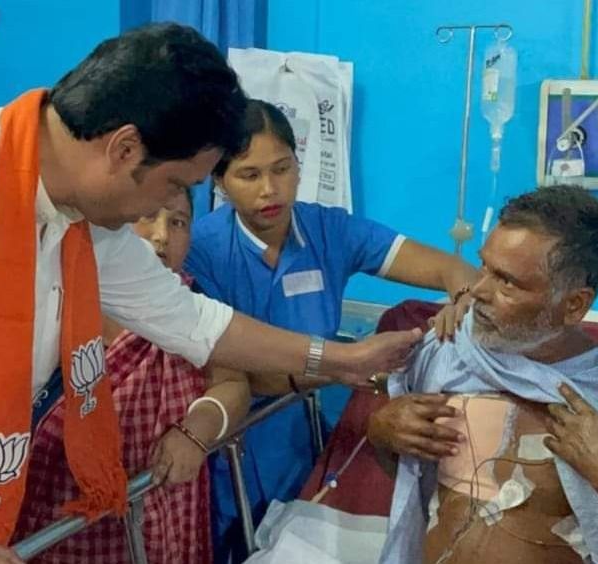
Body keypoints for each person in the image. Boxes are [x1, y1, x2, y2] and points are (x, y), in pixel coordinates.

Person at [0, 24, 422, 564]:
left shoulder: (77, 221)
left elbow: (188, 318)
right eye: (170, 187)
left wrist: (341, 361)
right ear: (125, 148)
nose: (164, 215)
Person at [367, 185, 598, 563]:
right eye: (484, 268)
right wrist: (381, 432)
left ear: (574, 304)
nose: (477, 291)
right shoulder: (447, 351)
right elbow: (410, 479)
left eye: (507, 281)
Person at [183, 99, 479, 562]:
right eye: (249, 175)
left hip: (300, 443)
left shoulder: (327, 231)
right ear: (219, 180)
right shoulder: (201, 250)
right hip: (227, 453)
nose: (269, 189)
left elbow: (450, 267)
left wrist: (463, 299)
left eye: (282, 168)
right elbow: (238, 375)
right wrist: (349, 364)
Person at [12, 190, 250, 564]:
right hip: (54, 515)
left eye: (178, 222)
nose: (161, 236)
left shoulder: (191, 301)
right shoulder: (62, 295)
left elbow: (233, 384)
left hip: (161, 517)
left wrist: (197, 429)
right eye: (148, 216)